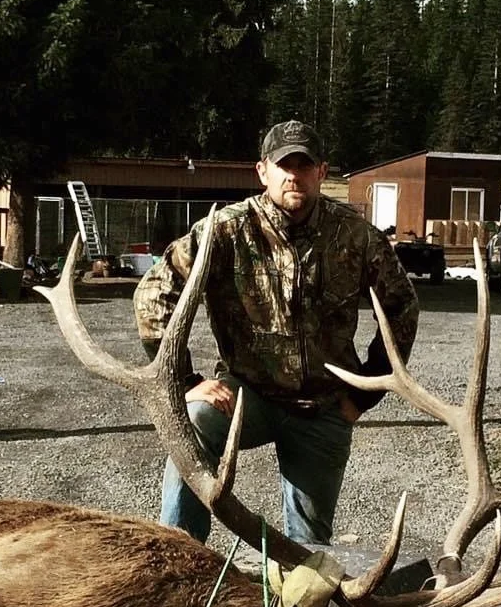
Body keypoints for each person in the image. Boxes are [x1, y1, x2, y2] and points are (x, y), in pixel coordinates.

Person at [133, 120, 419, 546]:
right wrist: (185, 382)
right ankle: (180, 557)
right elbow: (153, 295)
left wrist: (364, 394)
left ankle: (293, 606)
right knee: (195, 422)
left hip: (324, 406)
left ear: (321, 172)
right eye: (283, 165)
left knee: (308, 559)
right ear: (262, 171)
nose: (293, 175)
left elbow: (402, 307)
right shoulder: (225, 230)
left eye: (303, 165)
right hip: (246, 395)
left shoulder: (356, 236)